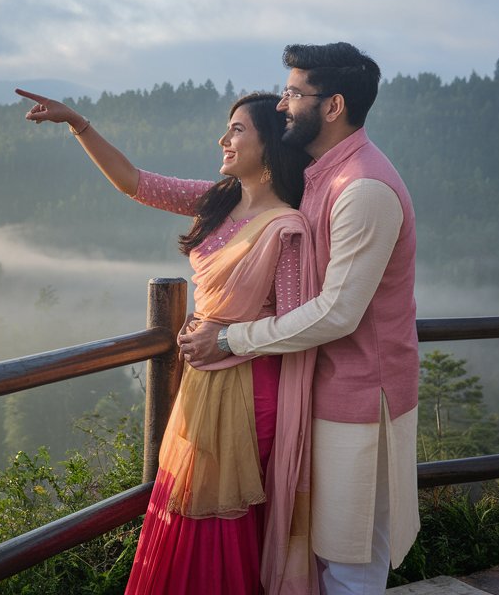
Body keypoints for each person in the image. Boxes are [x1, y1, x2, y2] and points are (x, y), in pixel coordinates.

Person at [19, 87, 320, 594]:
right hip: (201, 382)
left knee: (220, 521)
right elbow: (135, 182)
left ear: (269, 144)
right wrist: (79, 125)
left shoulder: (287, 227)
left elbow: (295, 326)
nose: (223, 138)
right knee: (183, 507)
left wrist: (224, 340)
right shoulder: (219, 201)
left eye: (238, 129)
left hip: (249, 392)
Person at [180, 43, 420, 595]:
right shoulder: (320, 178)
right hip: (319, 391)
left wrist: (233, 338)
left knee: (350, 556)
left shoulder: (362, 188)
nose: (283, 104)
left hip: (358, 397)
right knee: (325, 550)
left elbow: (338, 311)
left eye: (293, 93)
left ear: (332, 106)